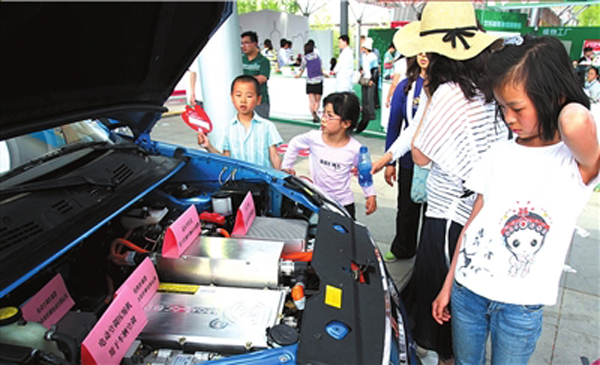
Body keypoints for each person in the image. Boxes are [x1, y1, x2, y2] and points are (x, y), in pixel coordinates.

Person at [432, 34, 599, 365]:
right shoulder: (499, 152)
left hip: (520, 307)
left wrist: (563, 99)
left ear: (554, 96)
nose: (508, 118)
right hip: (469, 291)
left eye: (517, 107)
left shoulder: (575, 164)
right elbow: (474, 221)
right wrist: (448, 284)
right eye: (502, 107)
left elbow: (575, 120)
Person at [371, 3, 507, 363]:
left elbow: (420, 154)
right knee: (453, 299)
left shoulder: (448, 92)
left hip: (448, 215)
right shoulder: (487, 87)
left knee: (443, 310)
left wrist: (430, 94)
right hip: (478, 209)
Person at [281, 92, 377, 220]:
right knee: (308, 232)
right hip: (315, 198)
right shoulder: (314, 138)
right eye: (324, 113)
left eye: (330, 115)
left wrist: (370, 195)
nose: (324, 119)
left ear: (346, 123)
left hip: (343, 203)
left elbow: (364, 172)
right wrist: (287, 167)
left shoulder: (355, 149)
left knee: (344, 238)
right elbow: (294, 144)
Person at [380, 53, 428, 262]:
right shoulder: (406, 86)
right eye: (420, 51)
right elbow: (394, 126)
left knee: (433, 213)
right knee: (407, 207)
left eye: (429, 51)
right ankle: (403, 247)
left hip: (438, 163)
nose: (424, 55)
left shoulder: (446, 86)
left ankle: (429, 253)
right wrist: (389, 162)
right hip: (409, 159)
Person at [197, 75, 282, 169]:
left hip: (262, 181)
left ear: (258, 100)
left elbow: (274, 156)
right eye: (238, 95)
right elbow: (225, 159)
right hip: (238, 181)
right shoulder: (228, 129)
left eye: (249, 96)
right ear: (232, 98)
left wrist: (278, 178)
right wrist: (208, 146)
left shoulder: (267, 126)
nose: (243, 100)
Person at [241, 31, 271, 119]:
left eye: (246, 43)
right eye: (242, 43)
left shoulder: (263, 61)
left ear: (255, 43)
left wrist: (244, 80)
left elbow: (262, 78)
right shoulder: (240, 60)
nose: (244, 46)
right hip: (242, 101)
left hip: (259, 101)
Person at [296, 42, 324, 124]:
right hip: (319, 79)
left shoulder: (305, 58)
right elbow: (321, 67)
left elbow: (302, 68)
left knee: (311, 100)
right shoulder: (317, 56)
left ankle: (313, 115)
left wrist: (298, 75)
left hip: (310, 80)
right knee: (317, 100)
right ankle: (316, 111)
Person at [356, 38, 378, 133]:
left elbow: (375, 70)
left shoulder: (373, 57)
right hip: (364, 78)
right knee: (364, 98)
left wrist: (372, 80)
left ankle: (371, 115)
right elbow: (362, 67)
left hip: (369, 79)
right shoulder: (363, 56)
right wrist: (360, 70)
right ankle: (365, 113)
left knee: (370, 98)